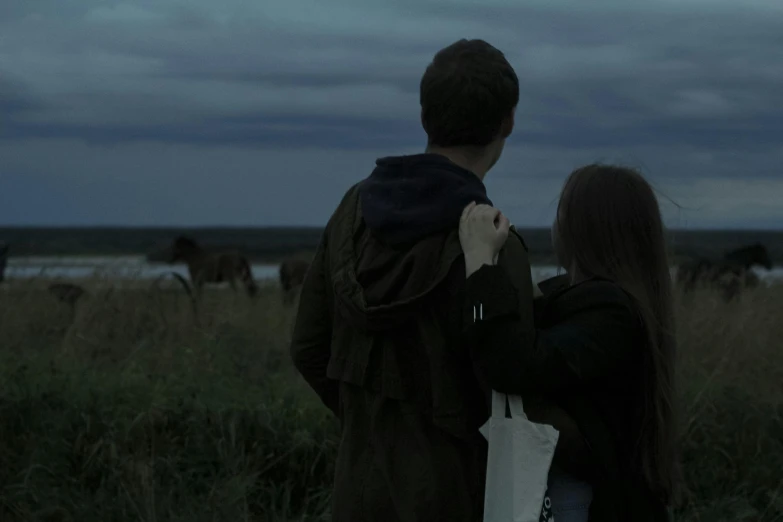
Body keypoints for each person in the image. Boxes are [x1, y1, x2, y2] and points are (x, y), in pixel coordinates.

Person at [289, 39, 588, 522]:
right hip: (457, 495)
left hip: (357, 493)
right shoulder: (494, 245)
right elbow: (512, 383)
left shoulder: (351, 214)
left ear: (426, 116)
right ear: (508, 121)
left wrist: (373, 427)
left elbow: (308, 348)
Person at [459, 164, 680, 522]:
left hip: (589, 506)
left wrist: (481, 265)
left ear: (584, 228)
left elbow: (511, 364)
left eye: (562, 211)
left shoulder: (614, 313)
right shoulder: (599, 302)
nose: (555, 223)